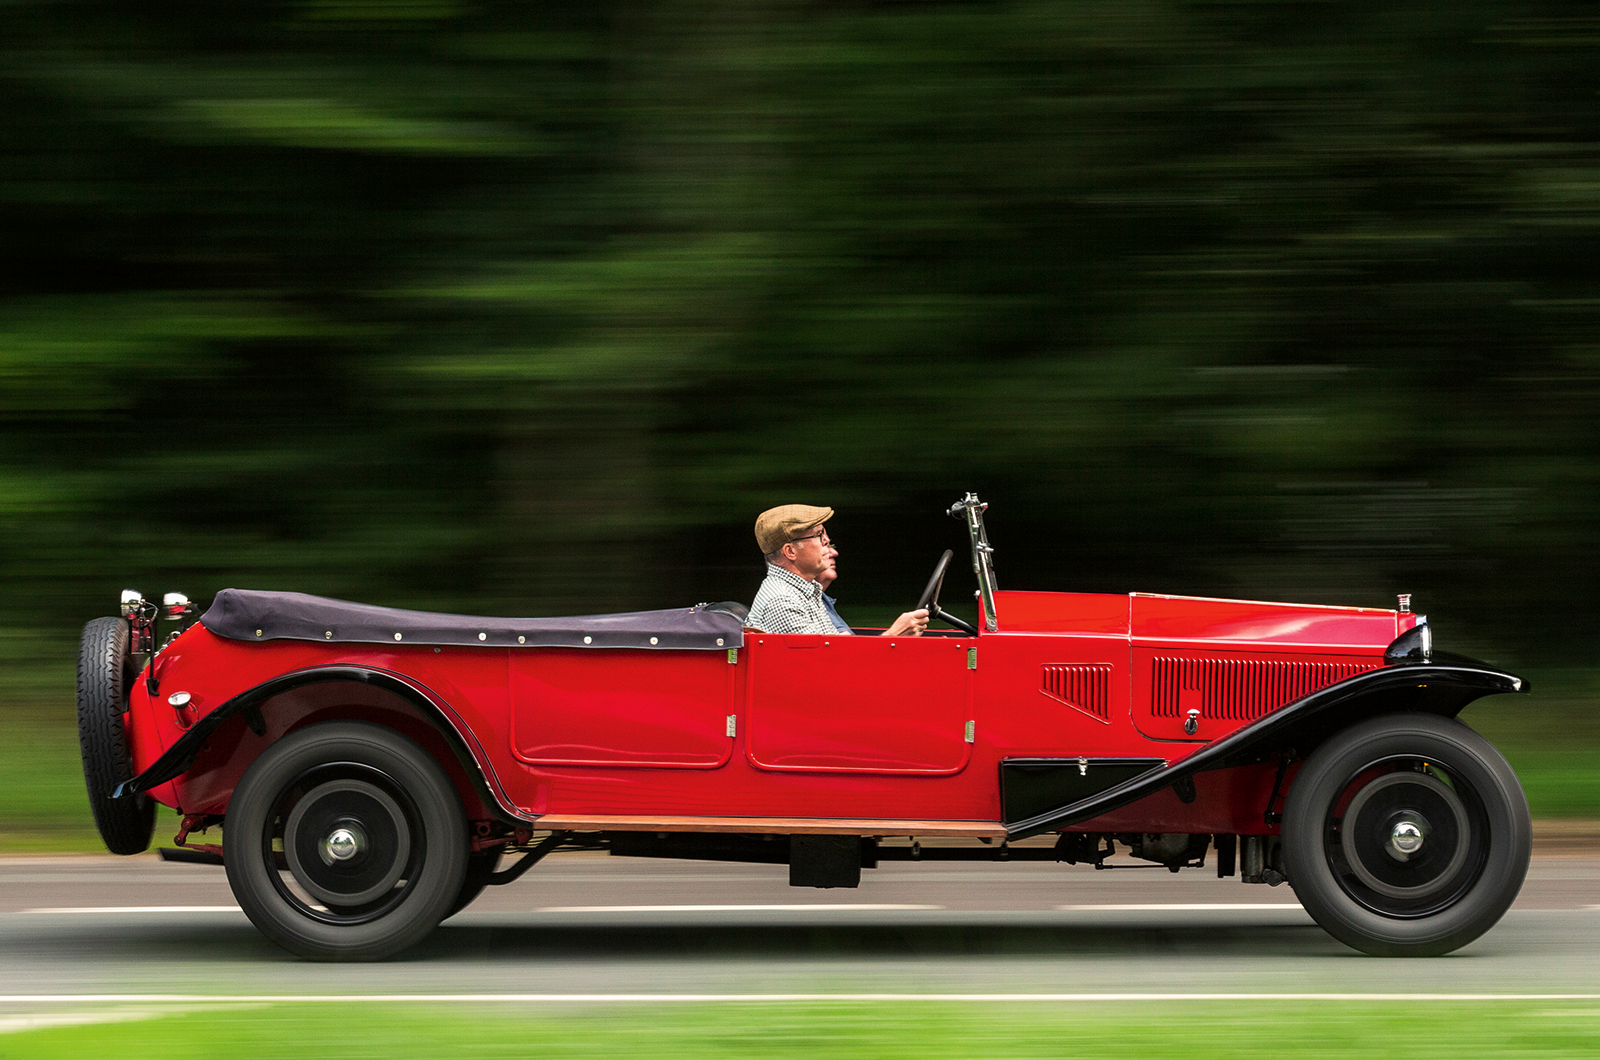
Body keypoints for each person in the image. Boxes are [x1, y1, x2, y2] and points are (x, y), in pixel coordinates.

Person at [746, 504, 928, 637]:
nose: (826, 540)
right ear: (790, 551)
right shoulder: (783, 601)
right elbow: (830, 672)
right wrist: (892, 637)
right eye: (818, 535)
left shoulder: (805, 592)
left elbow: (835, 652)